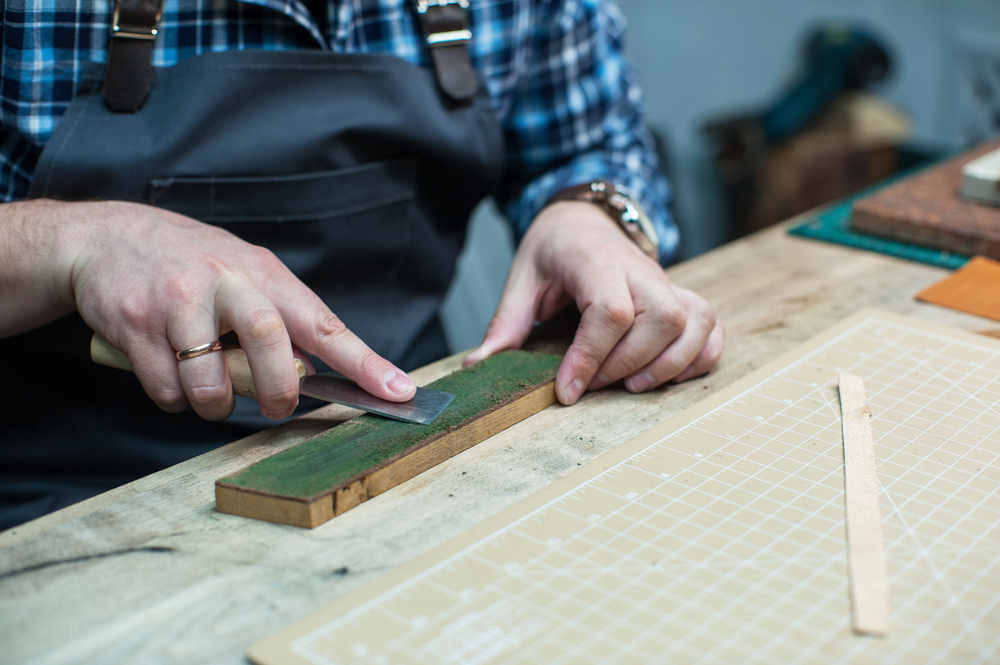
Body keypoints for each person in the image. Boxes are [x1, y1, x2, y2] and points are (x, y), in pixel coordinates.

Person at [0, 0, 723, 529]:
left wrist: (589, 210)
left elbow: (590, 144)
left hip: (402, 443)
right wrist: (75, 241)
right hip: (68, 499)